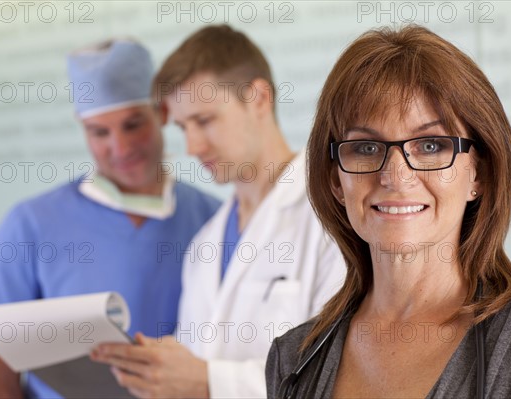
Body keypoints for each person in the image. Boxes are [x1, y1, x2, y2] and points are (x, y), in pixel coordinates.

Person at [265, 25, 511, 398]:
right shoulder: (293, 361)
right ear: (335, 180)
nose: (395, 176)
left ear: (478, 174)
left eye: (431, 145)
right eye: (366, 148)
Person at [90, 25, 346, 398]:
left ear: (258, 98)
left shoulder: (331, 218)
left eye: (205, 121)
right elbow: (193, 367)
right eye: (182, 127)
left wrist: (208, 382)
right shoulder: (205, 242)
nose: (192, 146)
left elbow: (335, 376)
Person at [0, 39, 220, 398]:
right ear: (81, 128)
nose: (120, 147)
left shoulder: (213, 220)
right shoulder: (32, 224)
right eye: (100, 132)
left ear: (162, 113)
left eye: (133, 125)